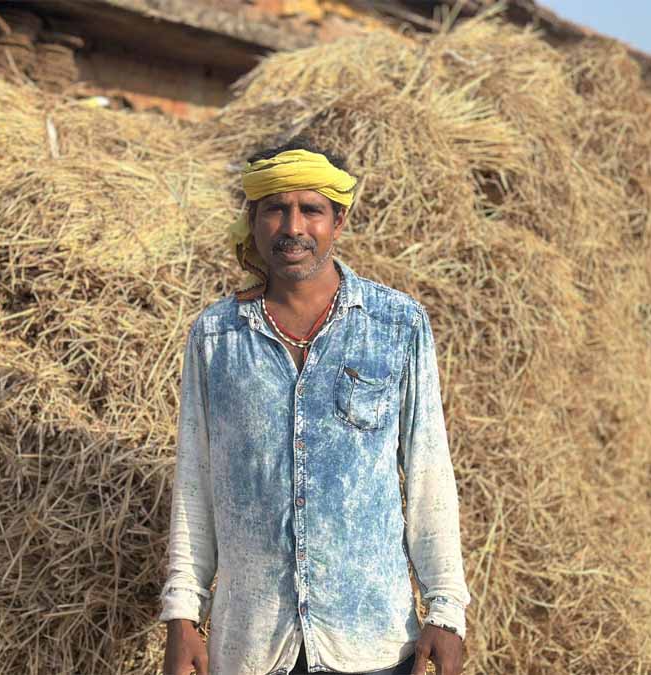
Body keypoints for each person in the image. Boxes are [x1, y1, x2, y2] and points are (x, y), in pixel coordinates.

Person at [160, 139, 471, 675]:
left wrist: (446, 612)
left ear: (339, 221)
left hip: (371, 643)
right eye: (275, 209)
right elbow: (195, 483)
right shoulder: (216, 336)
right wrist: (182, 615)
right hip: (253, 647)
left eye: (311, 209)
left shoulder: (397, 324)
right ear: (253, 220)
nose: (293, 227)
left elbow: (429, 475)